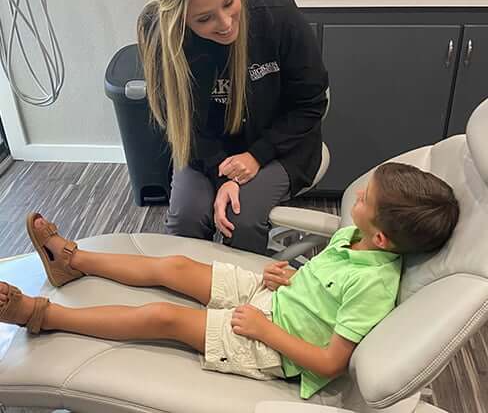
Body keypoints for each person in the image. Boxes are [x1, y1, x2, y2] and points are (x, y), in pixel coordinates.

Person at [0, 163, 459, 399]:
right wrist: (291, 276)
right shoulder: (355, 236)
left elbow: (330, 363)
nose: (357, 194)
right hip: (276, 297)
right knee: (175, 265)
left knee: (164, 317)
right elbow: (325, 287)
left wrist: (266, 330)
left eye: (367, 198)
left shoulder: (375, 286)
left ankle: (41, 315)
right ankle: (71, 259)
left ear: (382, 237)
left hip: (273, 345)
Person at [137, 0, 329, 254]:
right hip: (206, 149)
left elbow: (310, 104)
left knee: (240, 219)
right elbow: (183, 123)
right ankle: (191, 296)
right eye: (204, 18)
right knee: (186, 218)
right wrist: (222, 173)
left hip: (280, 145)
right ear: (179, 20)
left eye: (229, 2)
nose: (225, 24)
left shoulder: (277, 13)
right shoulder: (162, 38)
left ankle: (245, 297)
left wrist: (255, 157)